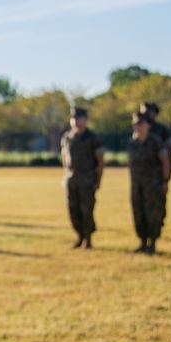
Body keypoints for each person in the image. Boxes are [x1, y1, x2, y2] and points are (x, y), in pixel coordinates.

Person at [59, 107, 104, 249]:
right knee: (73, 211)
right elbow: (65, 159)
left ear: (85, 120)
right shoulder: (67, 137)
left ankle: (88, 239)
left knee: (86, 211)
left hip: (87, 181)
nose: (75, 122)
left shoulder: (93, 138)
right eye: (73, 119)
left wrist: (98, 181)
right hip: (71, 180)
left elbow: (100, 161)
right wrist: (65, 175)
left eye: (79, 118)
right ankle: (79, 236)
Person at [128, 112, 170, 254]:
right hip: (137, 186)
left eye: (140, 124)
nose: (137, 127)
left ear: (148, 125)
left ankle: (152, 244)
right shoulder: (132, 143)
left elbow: (165, 162)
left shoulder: (156, 142)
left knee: (153, 215)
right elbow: (130, 164)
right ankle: (142, 242)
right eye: (135, 124)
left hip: (153, 185)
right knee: (138, 214)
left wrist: (165, 181)